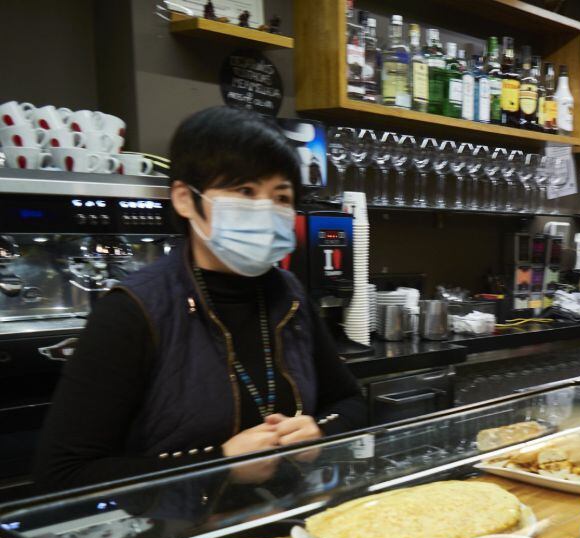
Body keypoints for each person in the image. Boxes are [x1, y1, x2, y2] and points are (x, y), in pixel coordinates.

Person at [34, 107, 366, 491]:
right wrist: (218, 467)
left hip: (287, 529)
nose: (266, 209)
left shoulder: (290, 294)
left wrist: (318, 432)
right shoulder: (132, 310)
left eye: (281, 196)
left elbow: (350, 402)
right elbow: (62, 475)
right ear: (184, 199)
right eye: (245, 191)